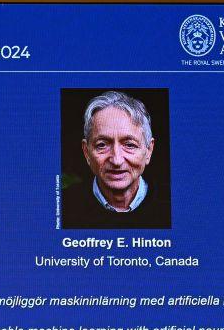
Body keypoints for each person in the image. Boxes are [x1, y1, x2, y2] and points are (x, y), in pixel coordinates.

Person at [61, 90, 170, 229]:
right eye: (102, 145)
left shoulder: (174, 206)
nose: (116, 160)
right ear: (86, 152)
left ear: (148, 150)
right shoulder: (63, 207)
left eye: (129, 145)